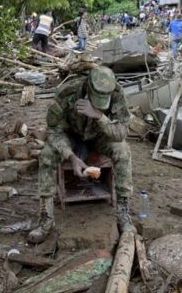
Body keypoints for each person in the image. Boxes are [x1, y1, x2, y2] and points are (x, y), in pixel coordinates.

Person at [27, 66, 134, 243]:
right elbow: (53, 131)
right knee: (46, 155)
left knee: (123, 151)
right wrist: (71, 156)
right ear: (87, 86)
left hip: (100, 134)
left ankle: (123, 212)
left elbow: (121, 133)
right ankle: (46, 218)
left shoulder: (116, 92)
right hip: (71, 135)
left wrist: (99, 116)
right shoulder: (67, 93)